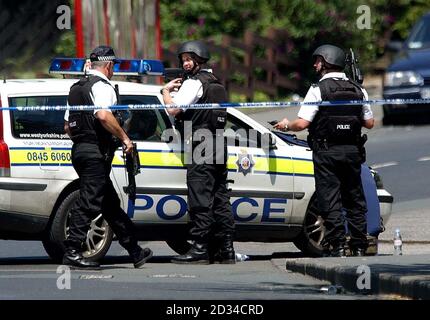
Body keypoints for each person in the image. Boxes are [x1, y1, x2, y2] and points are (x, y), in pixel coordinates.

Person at [274, 44, 374, 257]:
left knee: (330, 200)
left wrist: (285, 125)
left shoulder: (318, 89)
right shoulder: (358, 89)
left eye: (318, 61)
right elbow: (370, 122)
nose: (315, 65)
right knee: (354, 199)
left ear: (327, 62)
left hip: (327, 152)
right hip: (352, 152)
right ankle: (358, 245)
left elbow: (302, 124)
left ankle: (337, 245)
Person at [63, 45, 153, 268]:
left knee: (109, 203)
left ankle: (135, 250)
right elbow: (103, 115)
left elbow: (67, 126)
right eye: (114, 67)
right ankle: (73, 250)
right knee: (90, 200)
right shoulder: (103, 87)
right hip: (95, 153)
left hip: (80, 150)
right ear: (109, 65)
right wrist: (124, 138)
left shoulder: (76, 88)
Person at [161, 40, 236, 264]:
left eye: (188, 59)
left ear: (199, 60)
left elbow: (173, 109)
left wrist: (165, 91)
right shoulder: (214, 82)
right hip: (218, 142)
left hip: (200, 143)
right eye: (183, 59)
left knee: (200, 197)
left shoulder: (194, 83)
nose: (185, 63)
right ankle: (226, 249)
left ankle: (200, 248)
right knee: (220, 197)